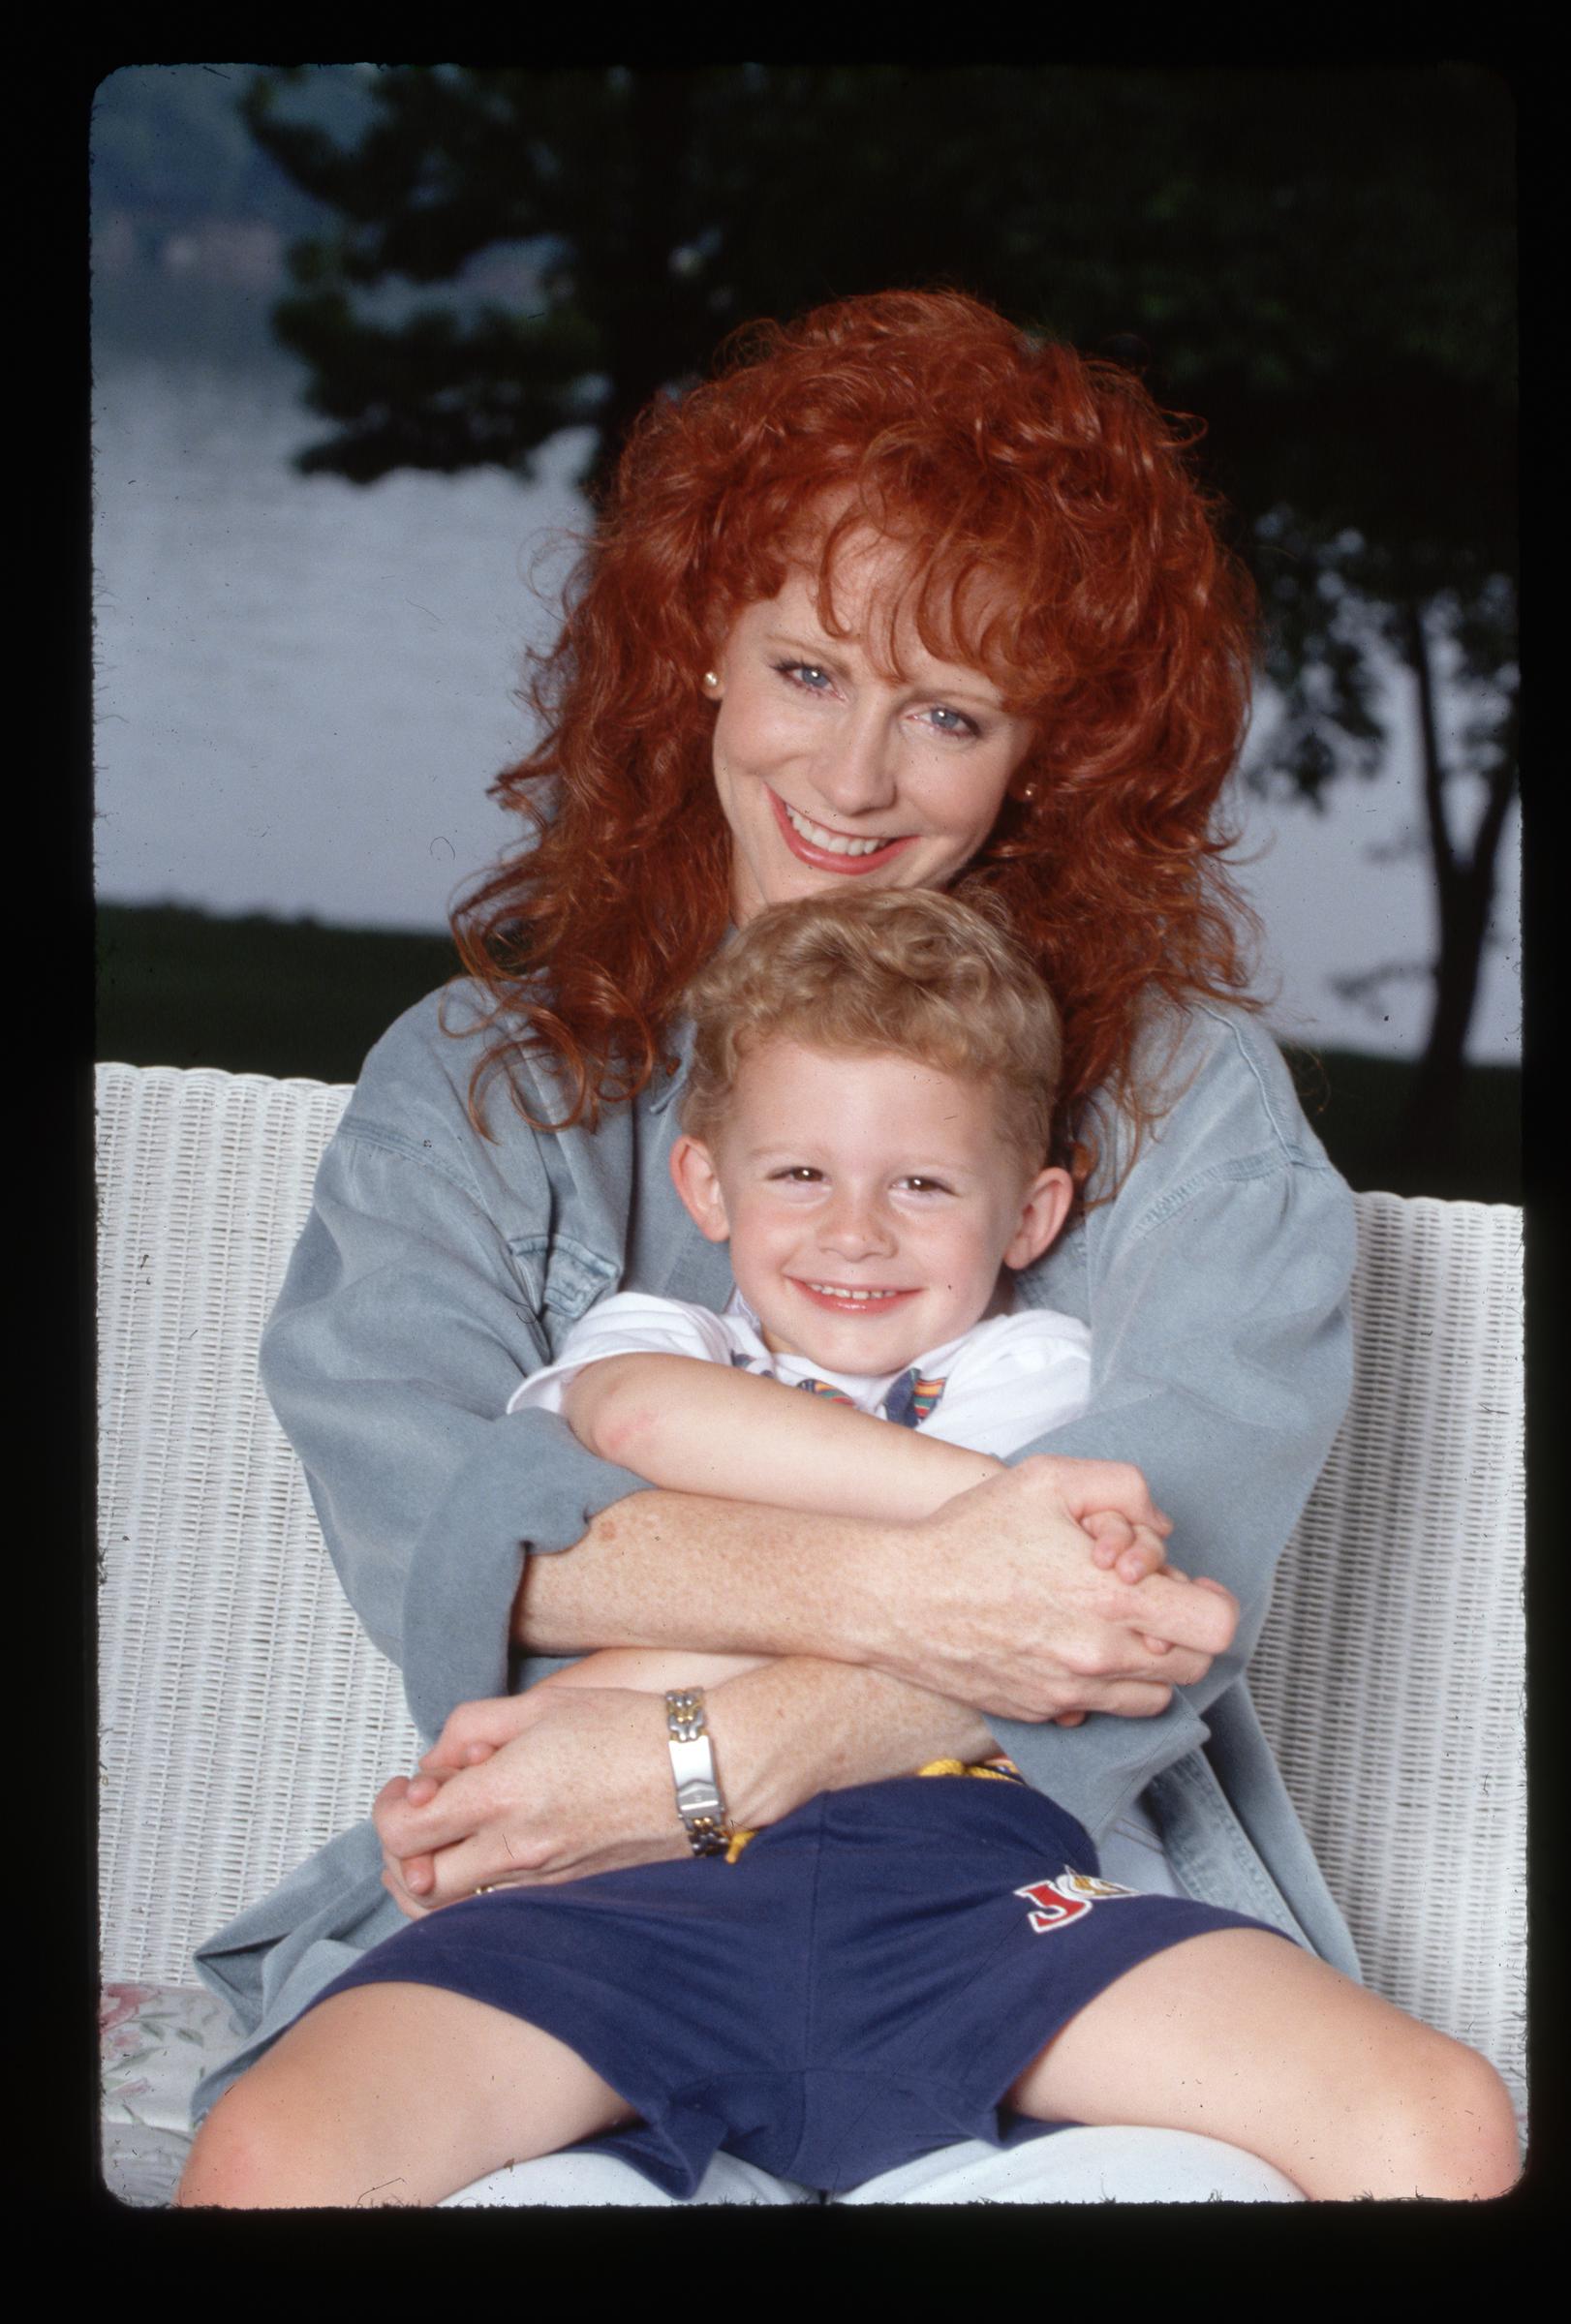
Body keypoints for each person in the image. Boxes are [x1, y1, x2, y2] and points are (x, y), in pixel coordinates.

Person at [181, 288, 1519, 2206]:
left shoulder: (1184, 1098)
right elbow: (439, 1525)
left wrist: (708, 1747)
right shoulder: (473, 1084)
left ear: (1048, 755)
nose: (858, 779)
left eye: (951, 713)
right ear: (695, 659)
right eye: (807, 670)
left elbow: (1159, 1590)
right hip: (571, 1870)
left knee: (1400, 2145)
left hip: (1020, 1874)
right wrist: (925, 1586)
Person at [178, 886, 1517, 2205]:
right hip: (618, 1890)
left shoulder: (1034, 1367)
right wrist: (966, 1539)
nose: (853, 1232)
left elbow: (1097, 1617)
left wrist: (670, 1648)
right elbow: (646, 1419)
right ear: (703, 1182)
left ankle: (1020, 2174)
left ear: (1033, 1217)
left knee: (1435, 2123)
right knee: (269, 2155)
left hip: (973, 1891)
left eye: (923, 1183)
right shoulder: (668, 1343)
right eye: (799, 1173)